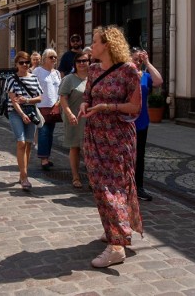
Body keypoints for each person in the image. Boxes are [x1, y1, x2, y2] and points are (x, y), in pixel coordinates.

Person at [78, 26, 142, 268]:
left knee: (112, 185)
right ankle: (113, 228)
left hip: (117, 137)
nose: (91, 46)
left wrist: (107, 108)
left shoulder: (129, 71)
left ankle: (117, 247)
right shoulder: (94, 70)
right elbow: (87, 96)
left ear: (108, 45)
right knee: (98, 184)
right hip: (94, 134)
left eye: (95, 42)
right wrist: (86, 106)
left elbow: (135, 108)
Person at [4, 51, 43, 191]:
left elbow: (39, 98)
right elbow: (13, 100)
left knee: (28, 143)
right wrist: (21, 114)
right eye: (22, 62)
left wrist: (27, 100)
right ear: (16, 64)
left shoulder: (33, 78)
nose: (25, 65)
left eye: (27, 62)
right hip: (16, 112)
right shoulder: (11, 79)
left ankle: (23, 173)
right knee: (20, 142)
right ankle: (24, 176)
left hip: (31, 112)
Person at [131, 47, 163, 201]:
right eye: (135, 59)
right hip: (125, 121)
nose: (138, 62)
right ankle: (124, 187)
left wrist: (148, 63)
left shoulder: (145, 76)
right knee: (125, 156)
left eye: (140, 60)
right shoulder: (123, 75)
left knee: (140, 156)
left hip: (142, 121)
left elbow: (158, 81)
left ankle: (139, 187)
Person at [59, 52, 89, 188]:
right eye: (79, 61)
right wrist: (69, 114)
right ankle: (76, 176)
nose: (82, 63)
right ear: (75, 64)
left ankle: (92, 177)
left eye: (84, 61)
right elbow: (63, 98)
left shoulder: (93, 78)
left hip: (89, 117)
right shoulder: (69, 79)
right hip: (74, 117)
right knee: (75, 146)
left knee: (89, 148)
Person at [32, 48, 62, 170]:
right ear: (44, 59)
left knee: (50, 133)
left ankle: (47, 156)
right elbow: (32, 87)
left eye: (55, 57)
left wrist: (58, 103)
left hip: (54, 106)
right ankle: (44, 159)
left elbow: (60, 90)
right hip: (41, 106)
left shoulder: (57, 73)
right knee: (43, 132)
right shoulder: (38, 71)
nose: (54, 59)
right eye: (51, 57)